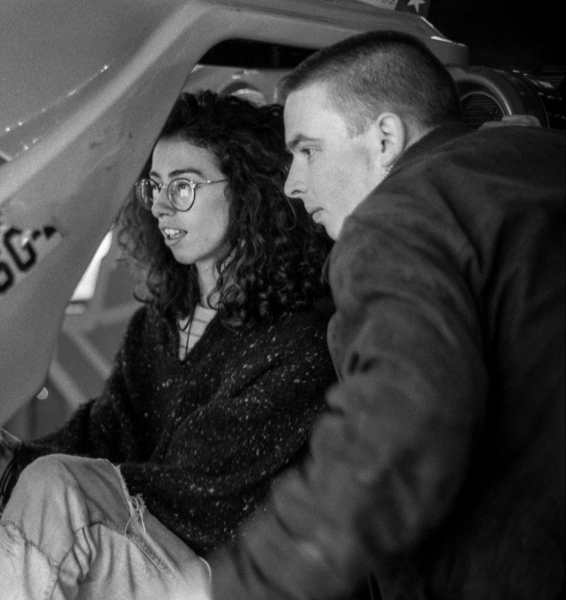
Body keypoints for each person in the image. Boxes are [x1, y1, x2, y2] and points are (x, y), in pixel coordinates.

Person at [0, 90, 336, 600]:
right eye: (154, 185)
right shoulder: (159, 324)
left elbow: (202, 494)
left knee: (51, 485)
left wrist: (12, 473)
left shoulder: (299, 341)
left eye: (183, 186)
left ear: (249, 191)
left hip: (232, 577)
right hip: (155, 558)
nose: (159, 205)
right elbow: (102, 436)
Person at [208, 30, 566, 600]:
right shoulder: (540, 161)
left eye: (307, 150)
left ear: (384, 138)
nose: (294, 185)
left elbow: (401, 424)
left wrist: (245, 586)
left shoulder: (395, 217)